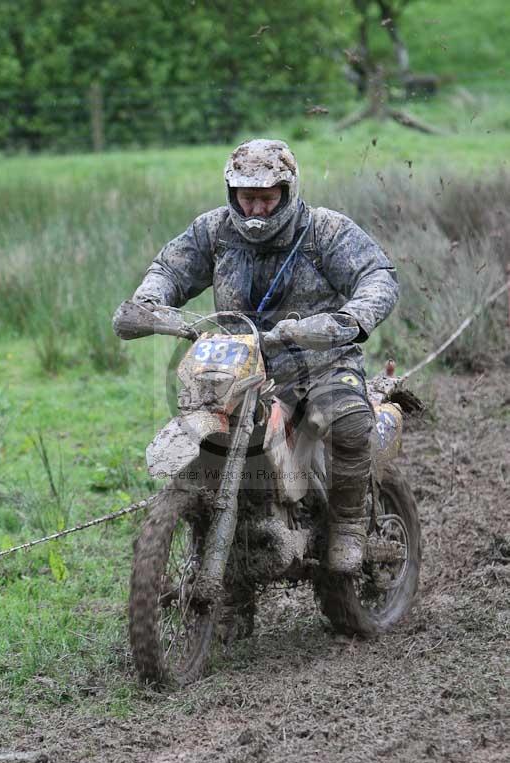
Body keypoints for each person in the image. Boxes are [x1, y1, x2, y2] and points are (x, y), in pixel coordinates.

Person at [129, 139, 398, 574]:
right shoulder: (214, 231)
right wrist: (149, 301)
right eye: (246, 197)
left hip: (319, 361)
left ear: (287, 193)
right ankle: (227, 581)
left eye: (266, 199)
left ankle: (349, 524)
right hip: (239, 366)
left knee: (346, 416)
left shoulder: (324, 231)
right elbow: (170, 270)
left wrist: (346, 319)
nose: (255, 209)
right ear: (232, 193)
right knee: (208, 440)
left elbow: (377, 275)